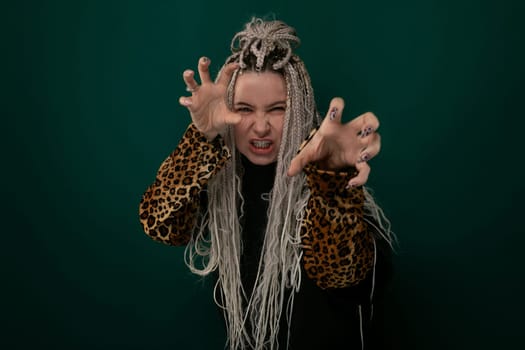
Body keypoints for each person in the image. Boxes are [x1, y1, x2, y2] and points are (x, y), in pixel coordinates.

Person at [139, 17, 395, 350]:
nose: (260, 127)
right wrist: (202, 138)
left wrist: (332, 179)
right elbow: (161, 224)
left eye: (277, 109)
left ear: (300, 110)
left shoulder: (325, 186)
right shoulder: (223, 186)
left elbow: (344, 274)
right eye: (245, 109)